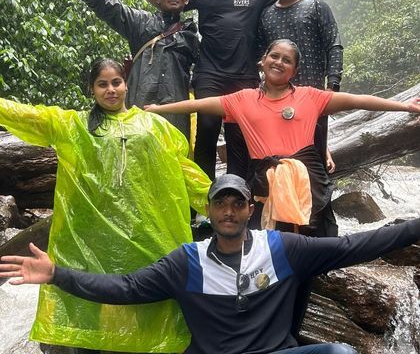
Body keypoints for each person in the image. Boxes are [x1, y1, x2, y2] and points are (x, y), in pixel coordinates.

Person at [2, 173, 420, 354]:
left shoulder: (283, 249)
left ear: (249, 209)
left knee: (340, 352)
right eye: (221, 203)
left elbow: (357, 245)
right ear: (209, 210)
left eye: (238, 203)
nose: (229, 211)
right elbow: (125, 289)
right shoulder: (187, 261)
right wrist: (57, 275)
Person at [0, 58, 210, 353]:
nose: (111, 90)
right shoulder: (74, 126)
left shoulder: (155, 127)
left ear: (126, 84)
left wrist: (219, 203)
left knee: (147, 298)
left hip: (144, 236)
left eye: (116, 82)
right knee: (89, 297)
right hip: (90, 237)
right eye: (103, 84)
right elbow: (29, 116)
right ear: (92, 89)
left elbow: (185, 173)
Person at [144, 39, 420, 236]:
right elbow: (198, 105)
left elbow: (358, 100)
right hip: (264, 182)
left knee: (310, 242)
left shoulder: (310, 97)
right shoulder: (242, 99)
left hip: (307, 183)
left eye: (287, 60)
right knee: (268, 244)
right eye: (274, 56)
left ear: (295, 71)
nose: (279, 62)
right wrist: (158, 110)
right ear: (262, 61)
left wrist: (405, 106)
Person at [130, 0, 333, 180]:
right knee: (206, 132)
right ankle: (204, 201)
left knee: (241, 137)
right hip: (209, 74)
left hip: (244, 75)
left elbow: (294, 1)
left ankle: (240, 197)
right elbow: (166, 0)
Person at [39, 0, 199, 139]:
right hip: (139, 110)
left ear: (186, 0)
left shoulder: (191, 38)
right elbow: (103, 1)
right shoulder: (141, 24)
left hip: (175, 117)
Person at [258, 0, 342, 175]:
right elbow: (260, 53)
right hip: (275, 98)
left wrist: (333, 84)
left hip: (313, 96)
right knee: (280, 160)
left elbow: (333, 45)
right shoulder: (266, 15)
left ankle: (319, 208)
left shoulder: (316, 7)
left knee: (315, 160)